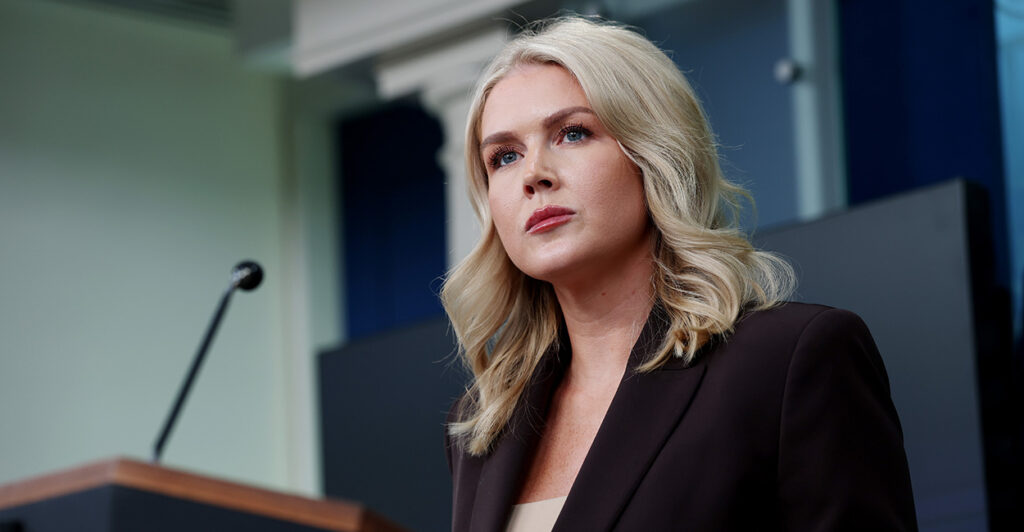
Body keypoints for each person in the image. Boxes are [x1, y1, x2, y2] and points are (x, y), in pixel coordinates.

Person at [442, 16, 917, 532]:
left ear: (653, 153)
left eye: (573, 133)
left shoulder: (790, 361)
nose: (533, 173)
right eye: (504, 156)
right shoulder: (482, 425)